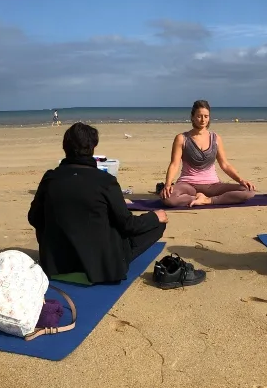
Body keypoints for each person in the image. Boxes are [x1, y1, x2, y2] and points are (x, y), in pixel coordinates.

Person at [29, 122, 169, 284]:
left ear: (65, 147)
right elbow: (128, 224)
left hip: (57, 264)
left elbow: (34, 218)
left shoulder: (50, 178)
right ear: (93, 147)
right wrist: (154, 217)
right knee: (158, 223)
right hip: (101, 268)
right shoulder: (105, 181)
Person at [159, 100, 256, 208]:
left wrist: (241, 180)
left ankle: (208, 200)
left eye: (206, 116)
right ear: (192, 117)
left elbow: (225, 165)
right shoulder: (182, 138)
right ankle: (196, 198)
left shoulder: (216, 138)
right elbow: (174, 164)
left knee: (248, 191)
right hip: (188, 184)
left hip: (213, 185)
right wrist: (168, 184)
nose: (203, 120)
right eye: (199, 116)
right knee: (167, 198)